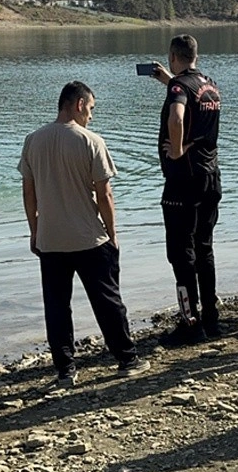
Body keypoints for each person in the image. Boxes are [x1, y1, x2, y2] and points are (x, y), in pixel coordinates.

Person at [19, 81, 149, 386]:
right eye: (90, 109)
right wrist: (113, 234)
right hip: (88, 237)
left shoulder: (33, 140)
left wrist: (34, 231)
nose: (91, 116)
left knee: (56, 306)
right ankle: (126, 359)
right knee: (107, 301)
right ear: (78, 104)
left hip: (50, 239)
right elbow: (105, 195)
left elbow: (29, 192)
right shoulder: (91, 141)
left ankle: (65, 370)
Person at [146, 34, 223, 346]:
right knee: (204, 247)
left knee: (180, 253)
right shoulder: (209, 85)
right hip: (210, 176)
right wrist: (168, 79)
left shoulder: (179, 88)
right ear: (196, 56)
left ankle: (190, 324)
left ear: (173, 56)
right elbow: (193, 107)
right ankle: (211, 320)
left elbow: (178, 115)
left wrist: (176, 149)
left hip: (183, 181)